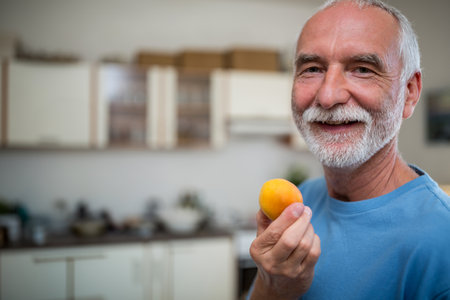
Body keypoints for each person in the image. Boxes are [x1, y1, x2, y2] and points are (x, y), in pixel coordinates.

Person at [248, 0, 450, 299]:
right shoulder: (303, 200)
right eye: (312, 68)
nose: (328, 96)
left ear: (409, 92)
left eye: (362, 69)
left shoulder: (441, 242)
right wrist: (273, 287)